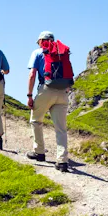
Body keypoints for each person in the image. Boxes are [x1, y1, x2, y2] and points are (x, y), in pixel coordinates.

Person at [25, 31, 73, 172]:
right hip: (63, 91)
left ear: (41, 41)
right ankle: (62, 161)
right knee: (61, 128)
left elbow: (32, 74)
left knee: (36, 120)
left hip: (46, 88)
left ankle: (39, 152)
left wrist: (29, 95)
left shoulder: (38, 52)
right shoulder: (62, 52)